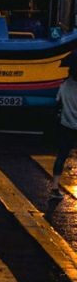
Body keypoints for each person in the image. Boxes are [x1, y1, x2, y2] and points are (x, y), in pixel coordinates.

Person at [49, 64, 77, 200]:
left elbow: (58, 102)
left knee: (61, 156)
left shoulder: (64, 85)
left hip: (65, 125)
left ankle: (55, 187)